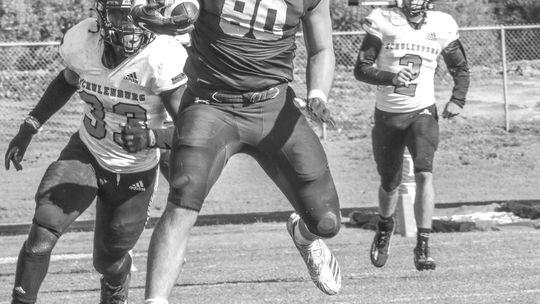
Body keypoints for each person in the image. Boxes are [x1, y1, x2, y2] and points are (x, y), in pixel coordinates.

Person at [130, 0, 342, 302]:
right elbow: (155, 12)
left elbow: (321, 49)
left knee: (327, 221)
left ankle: (304, 236)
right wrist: (154, 18)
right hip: (211, 104)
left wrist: (318, 94)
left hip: (273, 104)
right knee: (182, 201)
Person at [3, 0, 190, 303]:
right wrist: (30, 126)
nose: (131, 23)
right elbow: (66, 82)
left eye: (138, 14)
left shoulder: (161, 56)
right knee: (42, 233)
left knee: (108, 262)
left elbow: (194, 128)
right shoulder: (85, 41)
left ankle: (116, 287)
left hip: (133, 168)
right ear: (102, 14)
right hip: (87, 151)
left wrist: (153, 137)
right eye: (122, 13)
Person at [354, 0, 470, 271]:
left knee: (424, 172)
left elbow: (461, 70)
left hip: (422, 112)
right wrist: (390, 77)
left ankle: (423, 245)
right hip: (388, 114)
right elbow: (361, 69)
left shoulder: (441, 24)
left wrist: (458, 100)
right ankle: (385, 226)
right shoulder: (382, 19)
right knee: (390, 183)